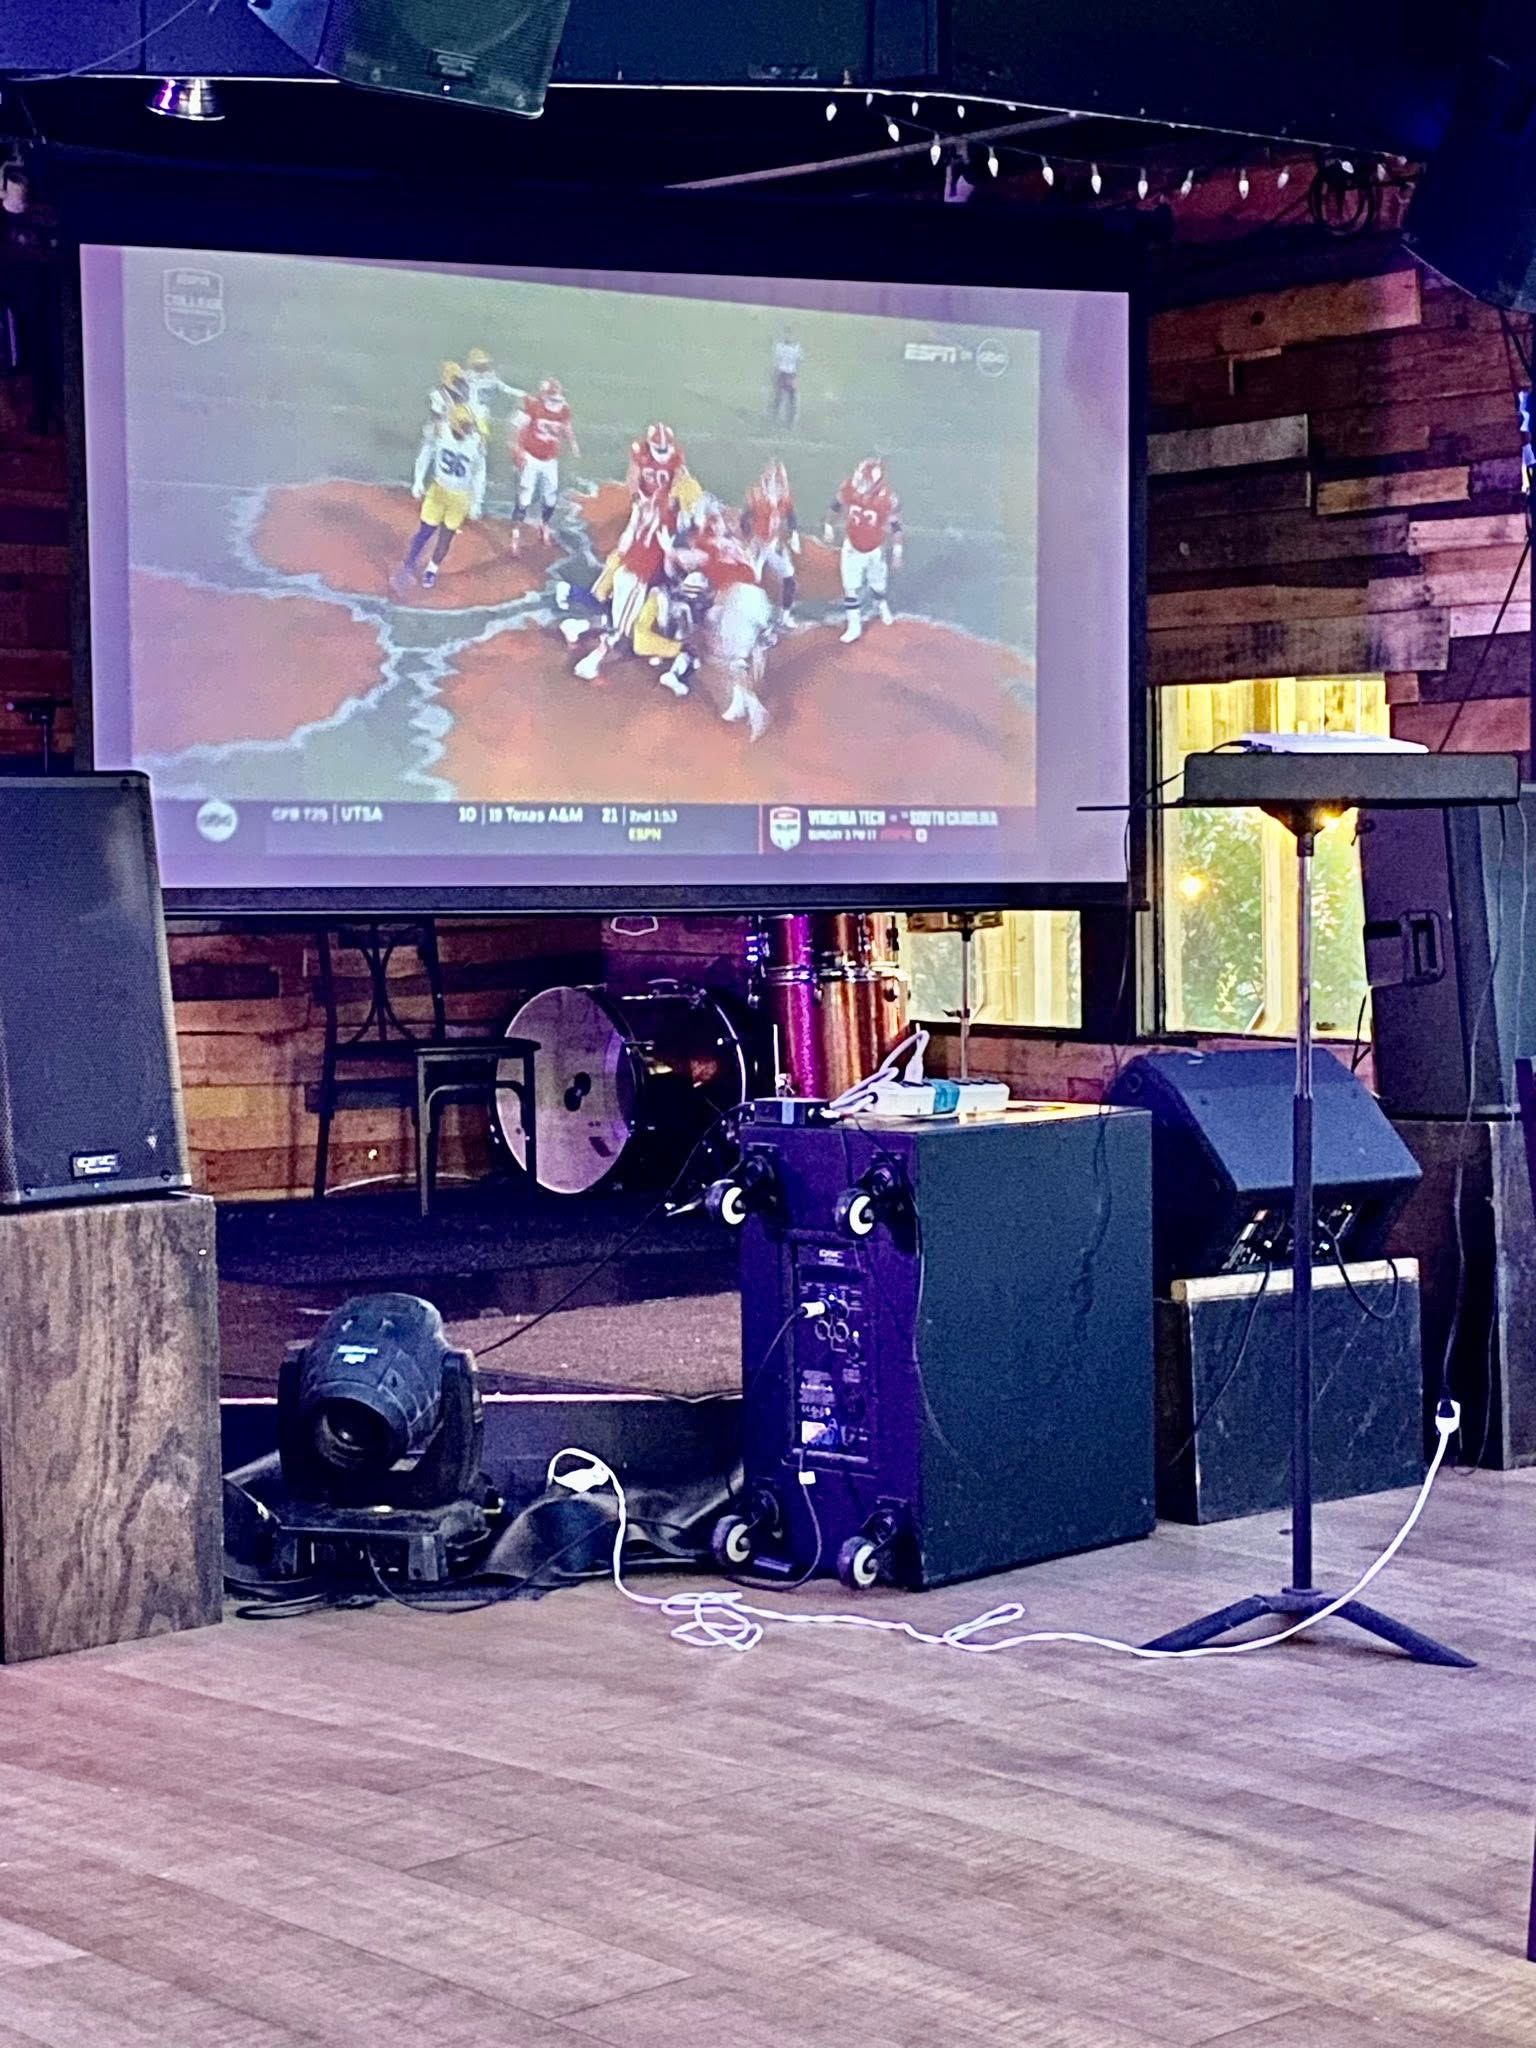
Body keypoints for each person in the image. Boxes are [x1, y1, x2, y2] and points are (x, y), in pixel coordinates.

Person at [396, 402, 485, 591]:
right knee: (425, 531)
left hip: (460, 496)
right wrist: (418, 480)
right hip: (439, 489)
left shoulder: (476, 442)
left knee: (446, 536)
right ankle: (409, 563)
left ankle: (432, 569)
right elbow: (425, 454)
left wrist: (477, 501)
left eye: (468, 426)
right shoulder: (441, 432)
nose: (467, 430)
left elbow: (479, 473)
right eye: (464, 426)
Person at [825, 456, 902, 643]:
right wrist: (828, 525)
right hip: (852, 545)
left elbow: (896, 526)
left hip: (875, 548)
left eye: (865, 480)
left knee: (878, 583)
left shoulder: (887, 499)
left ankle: (880, 603)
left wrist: (898, 552)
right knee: (850, 588)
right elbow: (836, 505)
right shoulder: (851, 487)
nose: (860, 483)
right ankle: (854, 626)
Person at [511, 376, 579, 551]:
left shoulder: (563, 409)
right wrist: (517, 449)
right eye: (553, 397)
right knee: (525, 497)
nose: (556, 401)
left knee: (550, 497)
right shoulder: (533, 406)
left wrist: (573, 443)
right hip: (531, 457)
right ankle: (516, 532)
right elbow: (517, 428)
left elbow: (566, 426)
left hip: (550, 460)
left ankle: (544, 524)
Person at [741, 458, 800, 624]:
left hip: (773, 543)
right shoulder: (757, 497)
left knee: (789, 577)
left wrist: (793, 533)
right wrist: (749, 543)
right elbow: (744, 520)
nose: (779, 489)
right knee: (752, 578)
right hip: (758, 542)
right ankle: (751, 619)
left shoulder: (784, 498)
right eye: (776, 485)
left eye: (780, 485)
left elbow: (791, 515)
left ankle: (785, 616)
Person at [770, 328, 804, 427]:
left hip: (791, 374)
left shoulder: (794, 348)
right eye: (787, 335)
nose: (789, 337)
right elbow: (777, 362)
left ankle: (790, 421)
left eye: (790, 335)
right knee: (779, 397)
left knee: (791, 399)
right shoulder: (781, 347)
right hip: (784, 374)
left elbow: (798, 361)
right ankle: (776, 418)